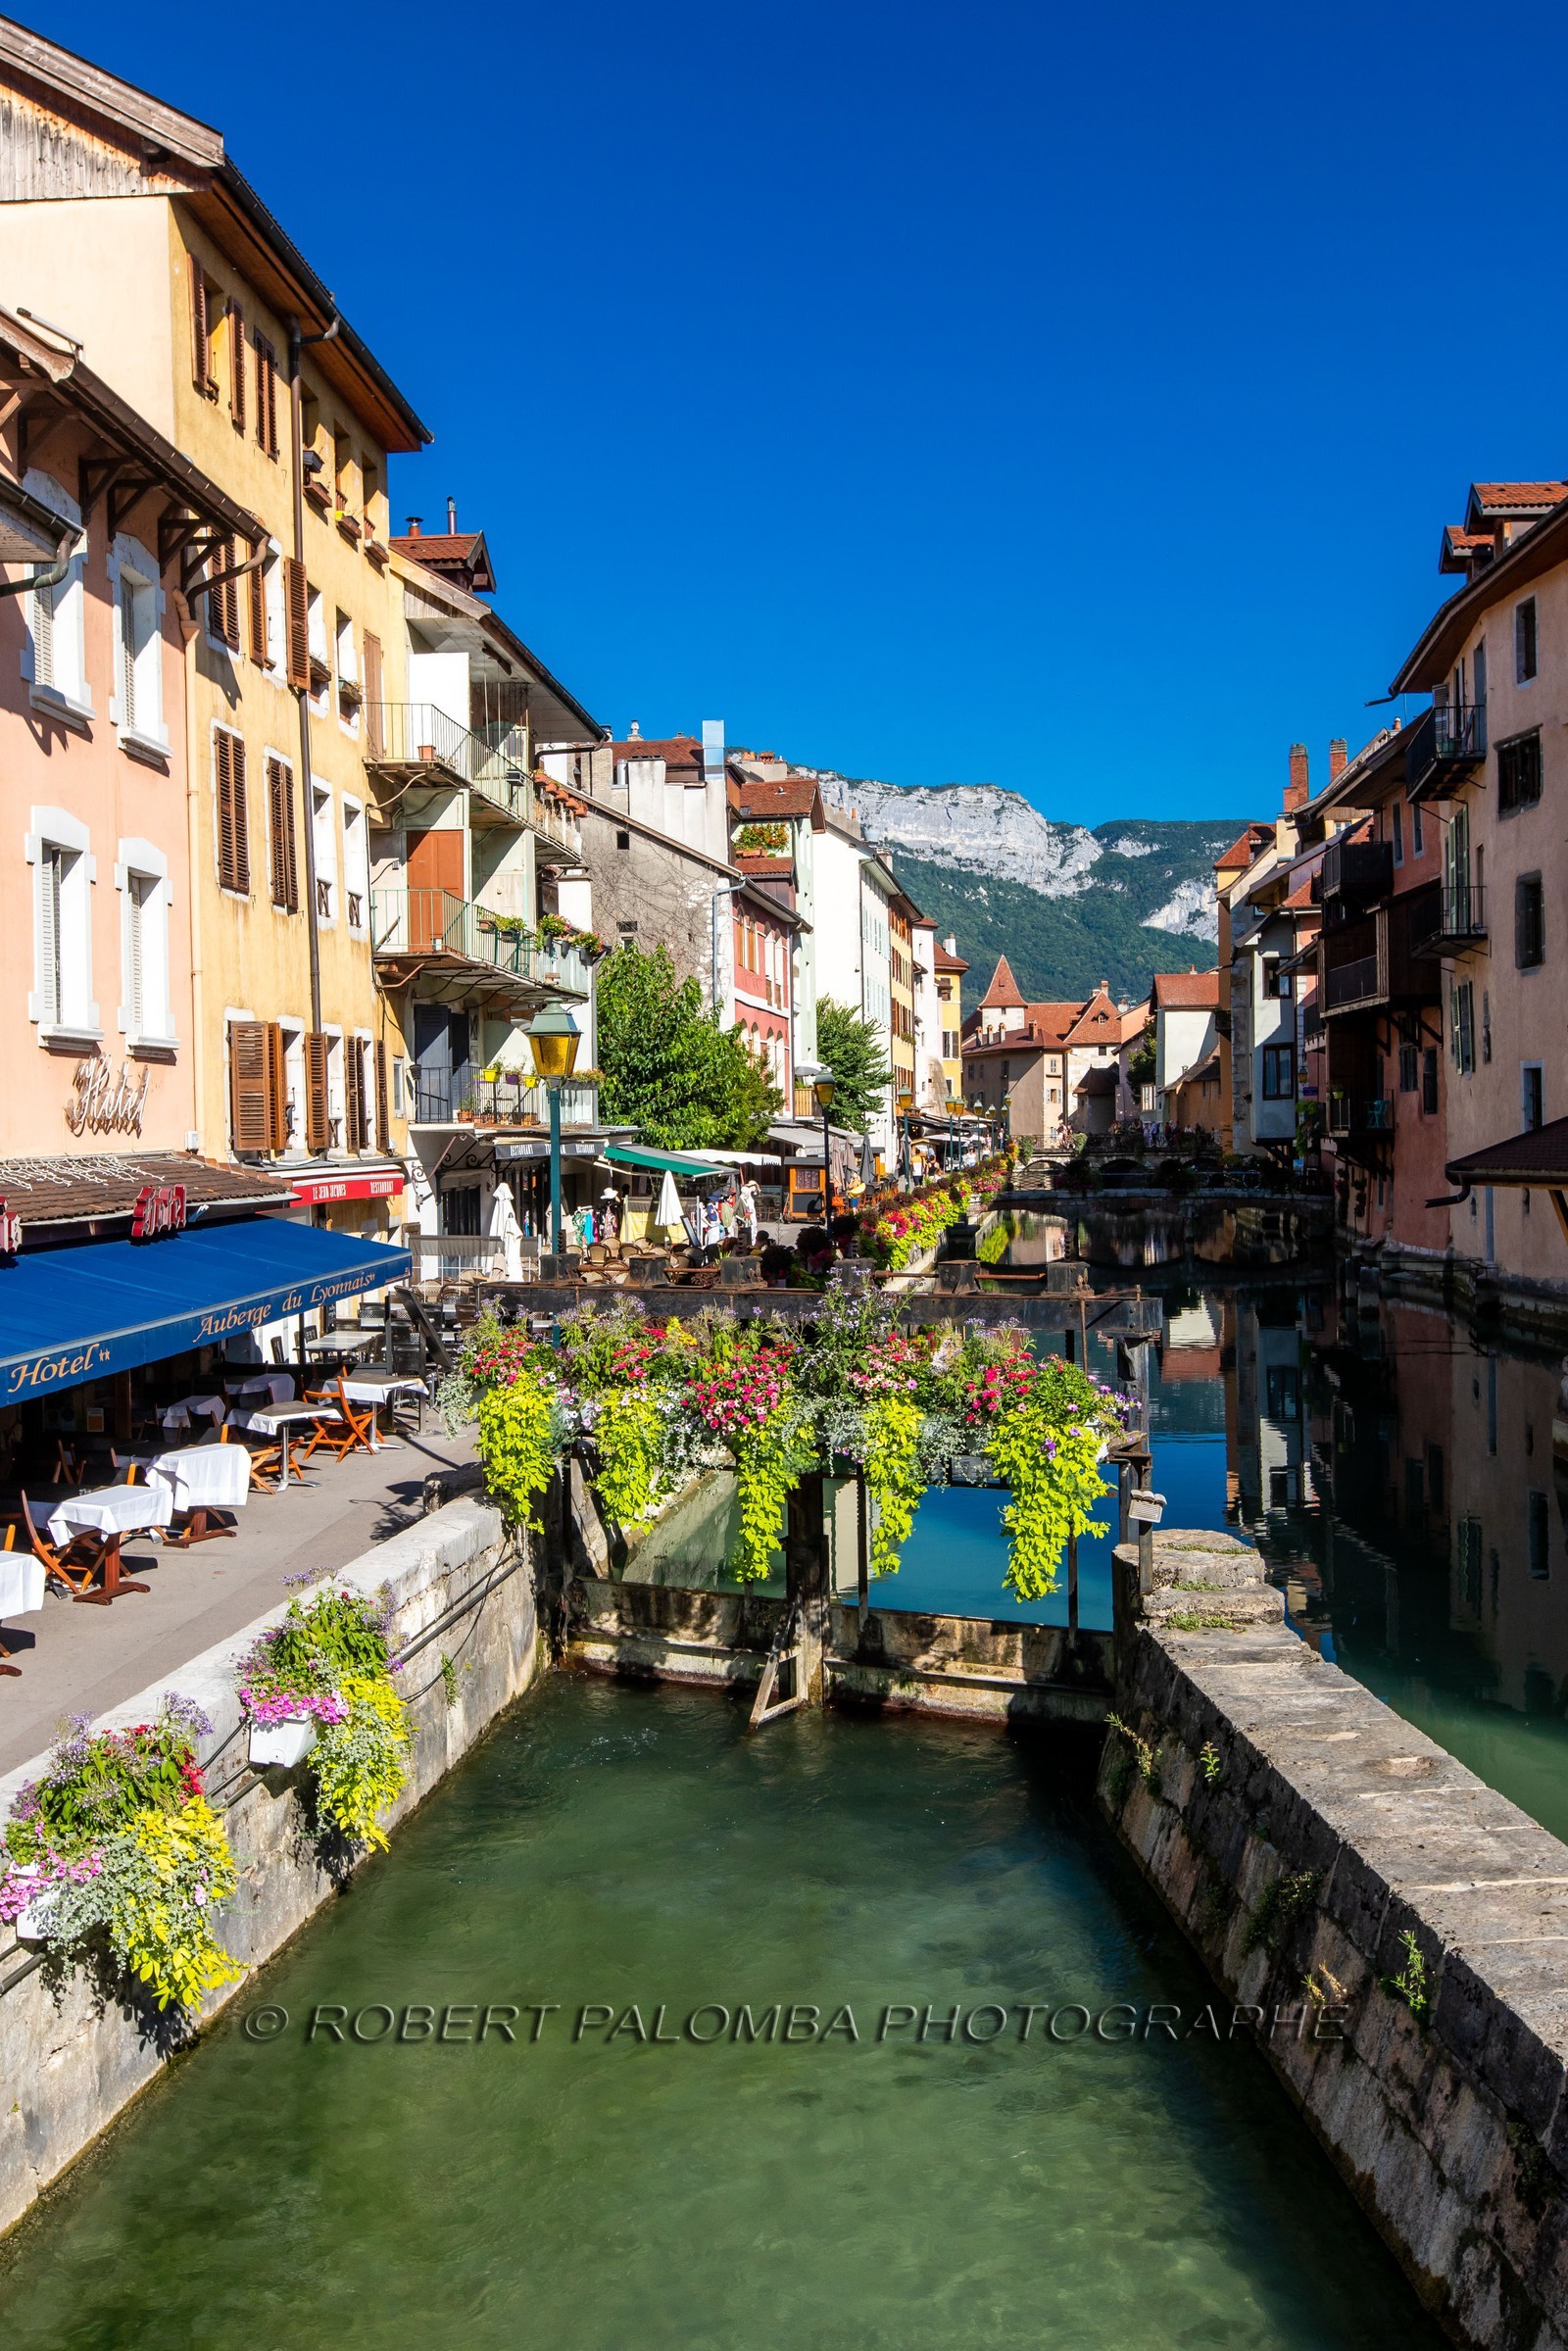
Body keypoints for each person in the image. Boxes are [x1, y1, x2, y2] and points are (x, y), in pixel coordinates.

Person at [737, 1177, 760, 1246]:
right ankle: (751, 1245)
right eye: (754, 1186)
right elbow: (746, 1208)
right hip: (750, 1216)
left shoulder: (750, 1195)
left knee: (753, 1231)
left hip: (751, 1215)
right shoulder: (746, 1196)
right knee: (752, 1231)